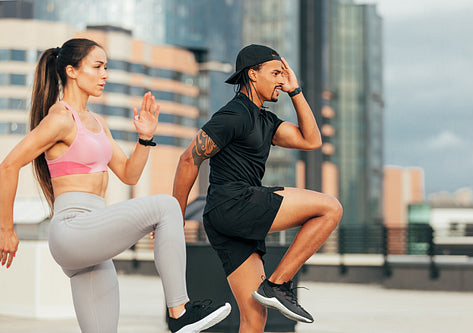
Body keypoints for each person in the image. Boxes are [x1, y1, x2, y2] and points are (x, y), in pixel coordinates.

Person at [0, 38, 231, 333]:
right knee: (167, 206)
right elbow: (8, 165)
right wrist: (6, 229)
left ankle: (178, 314)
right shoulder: (60, 118)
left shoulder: (97, 122)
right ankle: (179, 311)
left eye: (106, 67)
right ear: (71, 71)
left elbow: (128, 174)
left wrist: (145, 139)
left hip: (92, 241)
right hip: (73, 229)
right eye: (97, 67)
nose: (105, 74)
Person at [172, 44, 343, 332]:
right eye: (275, 73)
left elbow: (311, 141)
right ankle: (277, 284)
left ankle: (273, 287)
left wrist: (295, 91)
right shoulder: (235, 114)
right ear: (253, 74)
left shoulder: (265, 120)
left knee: (254, 319)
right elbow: (189, 158)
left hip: (225, 219)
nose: (281, 79)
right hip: (233, 203)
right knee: (330, 208)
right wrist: (174, 216)